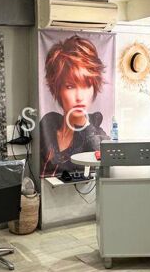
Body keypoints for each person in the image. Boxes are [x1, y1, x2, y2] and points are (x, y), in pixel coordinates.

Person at [39, 35, 109, 177]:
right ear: (57, 89)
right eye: (70, 86)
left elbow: (104, 167)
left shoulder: (97, 137)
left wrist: (84, 125)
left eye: (87, 85)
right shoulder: (48, 125)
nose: (79, 97)